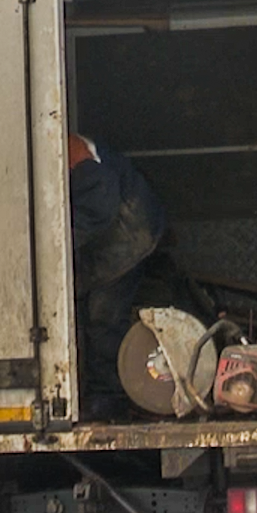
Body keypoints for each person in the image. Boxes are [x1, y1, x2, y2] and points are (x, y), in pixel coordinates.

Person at [69, 132, 166, 421]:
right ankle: (100, 394)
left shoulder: (77, 160)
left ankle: (107, 399)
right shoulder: (71, 152)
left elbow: (99, 209)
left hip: (127, 234)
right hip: (130, 226)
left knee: (103, 317)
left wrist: (54, 244)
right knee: (96, 315)